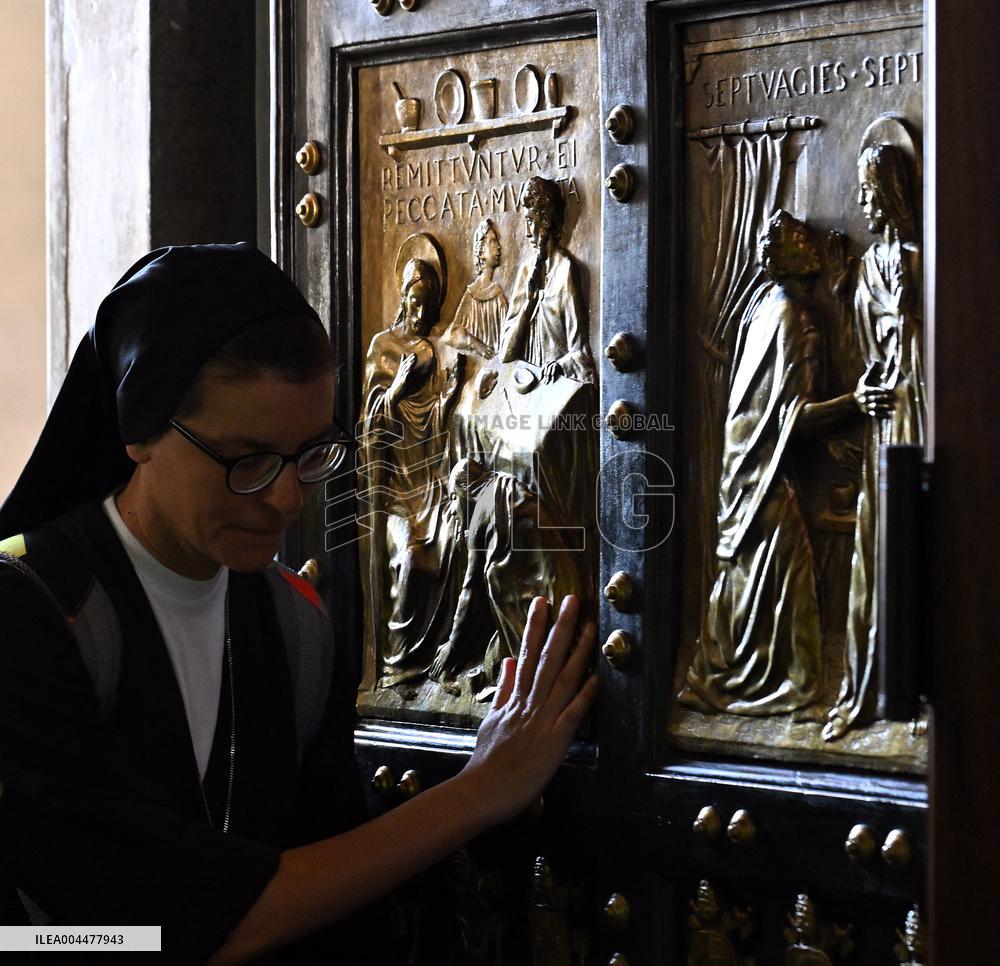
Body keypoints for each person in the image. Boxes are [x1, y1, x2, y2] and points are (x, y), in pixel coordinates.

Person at [0, 243, 598, 963]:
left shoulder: (296, 627)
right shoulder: (32, 608)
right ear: (139, 432)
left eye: (313, 454)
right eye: (246, 461)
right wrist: (480, 790)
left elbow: (334, 907)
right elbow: (139, 932)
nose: (287, 498)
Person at [679, 211, 867, 717]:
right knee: (790, 568)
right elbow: (795, 418)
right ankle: (792, 690)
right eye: (802, 241)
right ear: (796, 256)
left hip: (742, 467)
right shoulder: (798, 318)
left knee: (759, 570)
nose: (811, 245)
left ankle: (719, 675)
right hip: (762, 474)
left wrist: (844, 289)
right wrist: (857, 401)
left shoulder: (764, 306)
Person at [822, 142, 924, 742]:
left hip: (924, 415)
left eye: (868, 189)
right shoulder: (867, 269)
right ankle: (868, 690)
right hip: (886, 421)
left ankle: (920, 695)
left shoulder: (916, 260)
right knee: (876, 547)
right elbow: (863, 356)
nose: (860, 199)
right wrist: (865, 387)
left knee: (919, 535)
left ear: (889, 193)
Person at [360, 256, 465, 693]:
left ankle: (439, 660)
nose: (422, 314)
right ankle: (395, 663)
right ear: (403, 298)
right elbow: (367, 429)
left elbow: (438, 424)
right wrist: (398, 387)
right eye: (415, 303)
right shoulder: (384, 347)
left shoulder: (434, 350)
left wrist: (454, 390)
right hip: (396, 492)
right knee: (408, 559)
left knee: (454, 545)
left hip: (430, 483)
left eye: (429, 305)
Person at [498, 176, 594, 385]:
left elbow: (580, 353)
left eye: (530, 221)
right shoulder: (526, 271)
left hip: (552, 392)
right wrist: (529, 303)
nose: (526, 232)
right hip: (523, 392)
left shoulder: (566, 270)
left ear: (546, 220)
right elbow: (505, 353)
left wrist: (560, 365)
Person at [443, 217, 508, 360]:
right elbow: (450, 334)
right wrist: (474, 343)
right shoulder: (471, 294)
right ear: (480, 251)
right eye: (492, 241)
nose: (498, 247)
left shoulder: (497, 294)